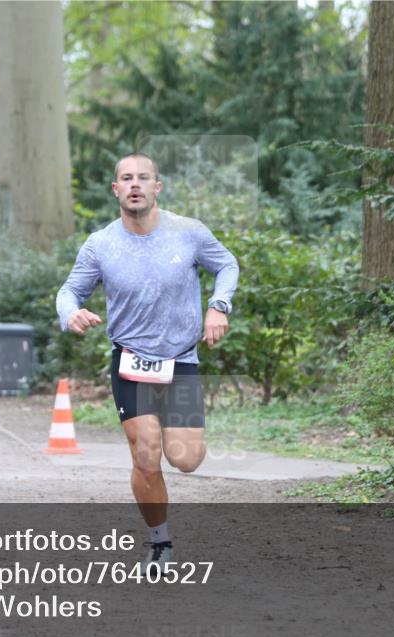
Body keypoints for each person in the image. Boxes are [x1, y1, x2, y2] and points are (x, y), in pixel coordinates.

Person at [56, 152, 238, 573]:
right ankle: (160, 543)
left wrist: (219, 306)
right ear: (116, 189)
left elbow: (226, 264)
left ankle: (159, 516)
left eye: (143, 177)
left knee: (186, 460)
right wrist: (71, 314)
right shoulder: (100, 244)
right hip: (130, 361)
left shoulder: (188, 233)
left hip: (180, 359)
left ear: (158, 186)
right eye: (126, 178)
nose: (135, 184)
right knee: (145, 453)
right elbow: (69, 291)